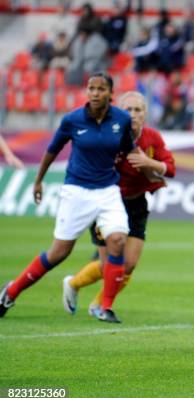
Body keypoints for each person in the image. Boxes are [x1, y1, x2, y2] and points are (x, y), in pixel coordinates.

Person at [0, 72, 136, 323]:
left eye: (100, 89)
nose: (95, 93)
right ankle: (10, 292)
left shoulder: (122, 119)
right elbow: (52, 150)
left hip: (108, 190)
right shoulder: (72, 120)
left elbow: (129, 151)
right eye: (91, 88)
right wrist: (39, 181)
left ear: (110, 94)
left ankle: (104, 307)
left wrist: (148, 167)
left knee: (117, 240)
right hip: (76, 191)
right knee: (58, 253)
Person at [63, 91, 176, 319]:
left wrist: (148, 162)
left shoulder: (152, 137)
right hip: (107, 202)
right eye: (128, 110)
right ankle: (75, 285)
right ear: (118, 112)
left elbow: (170, 169)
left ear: (145, 114)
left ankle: (97, 304)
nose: (133, 114)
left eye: (138, 110)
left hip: (136, 204)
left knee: (129, 265)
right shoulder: (109, 137)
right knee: (109, 265)